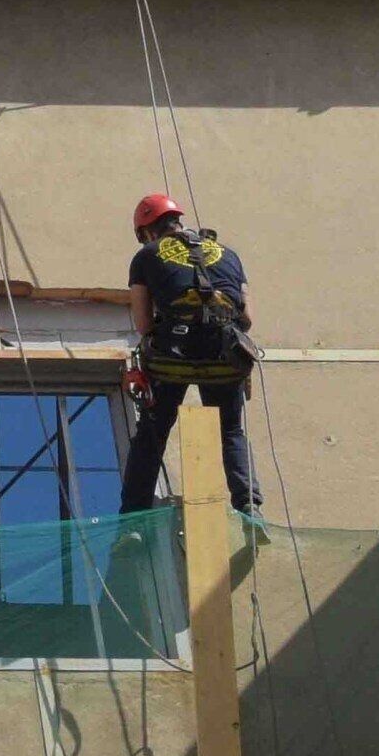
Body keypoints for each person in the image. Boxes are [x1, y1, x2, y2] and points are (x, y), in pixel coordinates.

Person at [118, 192, 260, 515]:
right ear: (177, 220)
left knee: (152, 434)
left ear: (147, 232)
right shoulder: (230, 255)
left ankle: (133, 518)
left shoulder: (147, 256)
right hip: (224, 356)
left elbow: (142, 324)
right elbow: (247, 318)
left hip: (173, 358)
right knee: (231, 430)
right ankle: (249, 504)